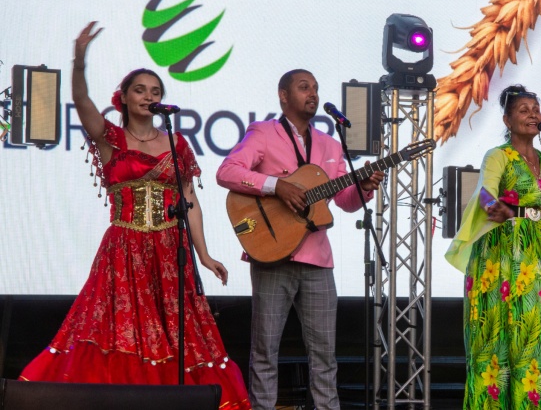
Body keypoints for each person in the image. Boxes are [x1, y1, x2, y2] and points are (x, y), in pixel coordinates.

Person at [19, 22, 251, 410]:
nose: (148, 96)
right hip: (124, 248)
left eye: (156, 91)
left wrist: (204, 255)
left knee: (177, 334)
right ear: (124, 98)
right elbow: (81, 101)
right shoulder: (110, 138)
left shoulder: (176, 142)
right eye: (140, 90)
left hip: (170, 250)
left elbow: (190, 200)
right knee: (118, 330)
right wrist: (79, 62)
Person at [216, 69, 384, 409]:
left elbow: (345, 201)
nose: (313, 93)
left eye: (316, 88)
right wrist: (276, 186)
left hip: (318, 260)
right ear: (283, 95)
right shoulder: (264, 133)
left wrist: (364, 188)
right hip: (272, 254)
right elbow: (227, 172)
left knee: (325, 355)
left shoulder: (331, 144)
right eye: (304, 87)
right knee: (265, 351)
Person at [445, 85, 541, 410]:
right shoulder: (498, 156)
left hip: (539, 261)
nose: (533, 114)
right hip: (502, 258)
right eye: (523, 110)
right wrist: (494, 206)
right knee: (500, 341)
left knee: (538, 340)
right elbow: (484, 190)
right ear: (507, 120)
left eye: (536, 109)